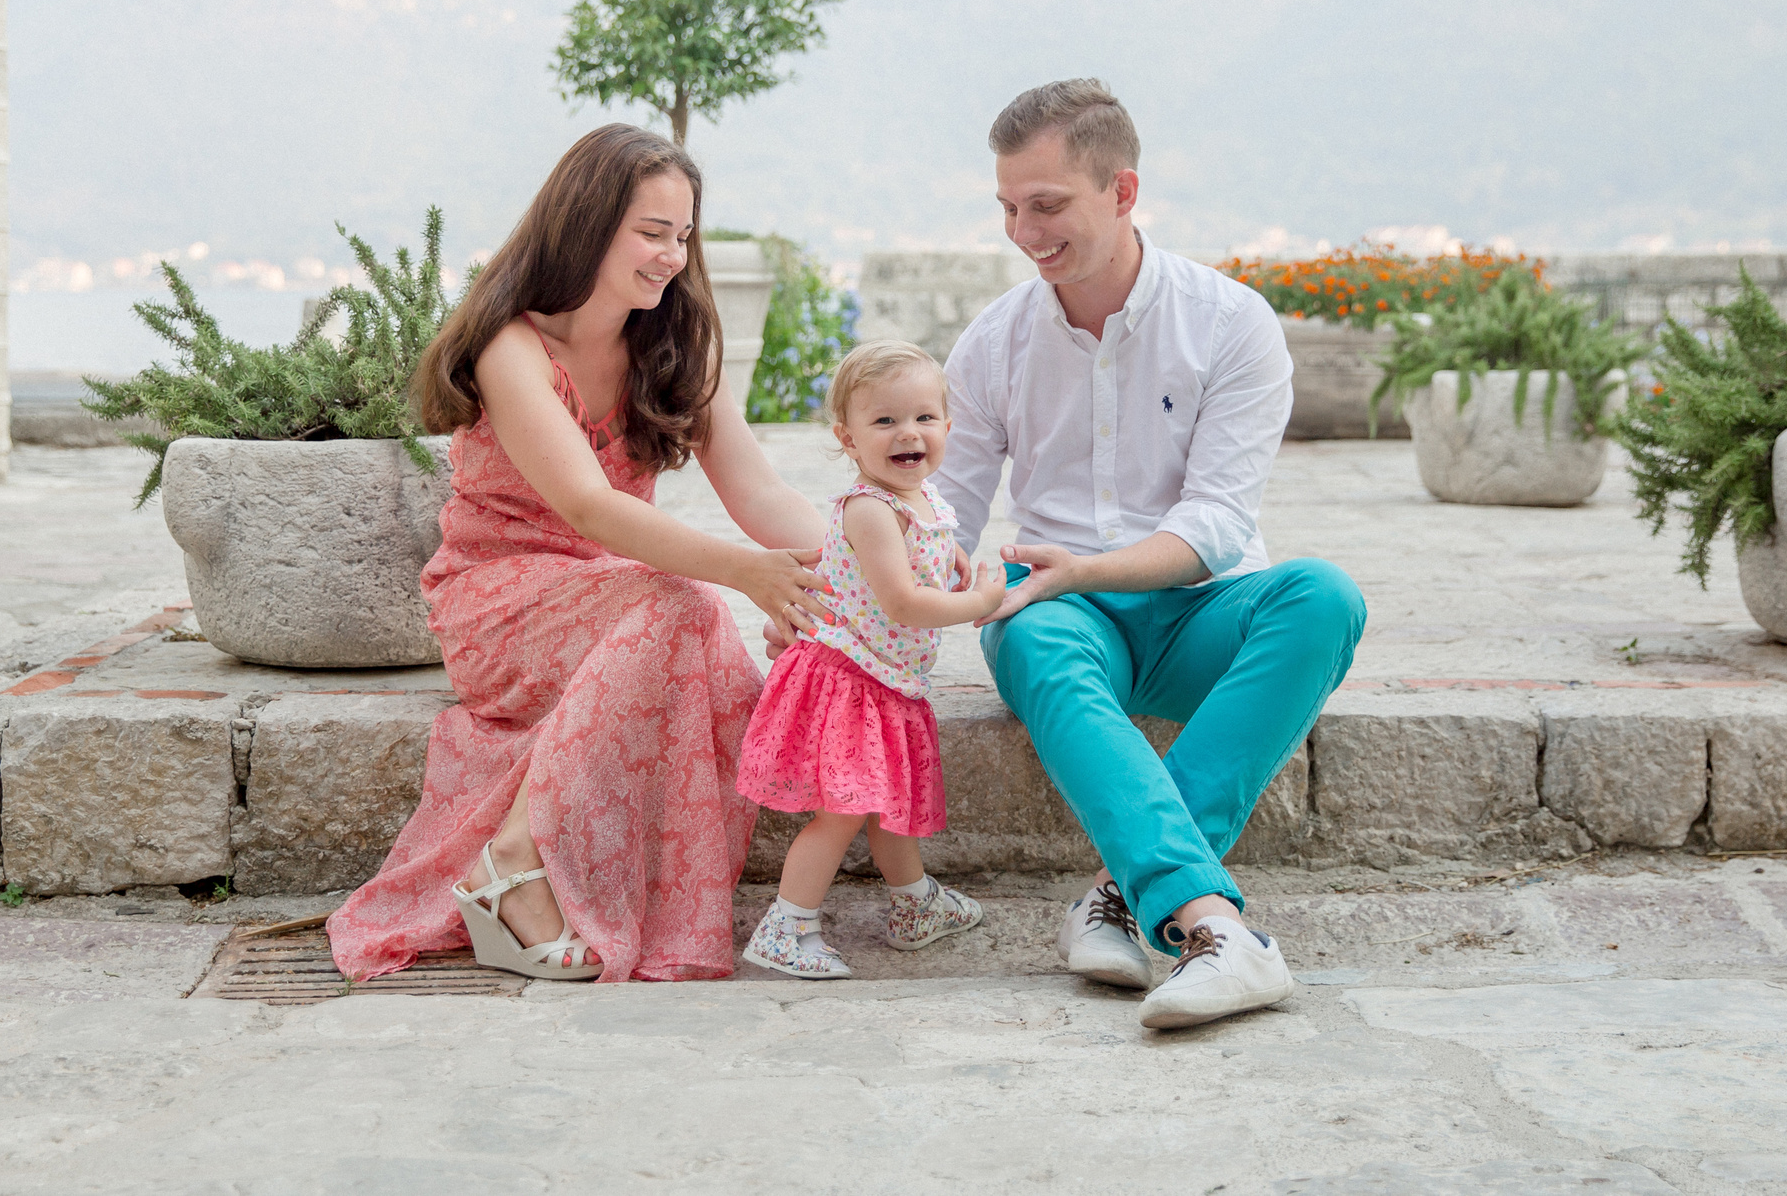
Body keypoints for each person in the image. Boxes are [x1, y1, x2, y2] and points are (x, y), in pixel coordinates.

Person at [327, 124, 836, 985]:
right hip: (499, 601)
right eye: (651, 231)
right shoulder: (512, 346)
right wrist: (746, 573)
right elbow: (587, 506)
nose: (672, 255)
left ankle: (548, 864)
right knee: (685, 604)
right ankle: (511, 866)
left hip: (615, 595)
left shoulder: (670, 345)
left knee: (708, 645)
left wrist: (856, 571)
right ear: (588, 222)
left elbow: (759, 493)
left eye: (682, 234)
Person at [941, 78, 1365, 1030]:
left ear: (1123, 193)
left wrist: (1083, 567)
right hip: (1062, 616)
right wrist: (843, 600)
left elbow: (1216, 526)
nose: (1024, 230)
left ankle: (1121, 894)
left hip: (1200, 606)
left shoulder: (1231, 323)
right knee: (1033, 631)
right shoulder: (992, 342)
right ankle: (1217, 929)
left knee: (1325, 598)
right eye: (1009, 206)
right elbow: (945, 515)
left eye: (1047, 205)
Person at [735, 341, 1008, 977]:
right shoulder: (870, 508)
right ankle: (786, 925)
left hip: (886, 680)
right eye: (884, 421)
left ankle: (915, 904)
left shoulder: (924, 499)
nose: (907, 433)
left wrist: (956, 561)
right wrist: (979, 601)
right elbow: (904, 601)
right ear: (848, 438)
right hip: (850, 680)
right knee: (843, 812)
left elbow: (930, 550)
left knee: (886, 803)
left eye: (923, 417)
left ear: (947, 425)